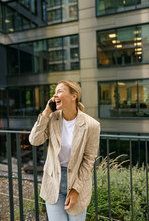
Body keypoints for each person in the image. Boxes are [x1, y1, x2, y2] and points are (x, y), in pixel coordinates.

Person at [29, 80, 100, 221]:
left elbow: (89, 160)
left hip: (77, 181)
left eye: (59, 91)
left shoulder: (91, 125)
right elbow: (34, 140)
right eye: (54, 92)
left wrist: (76, 190)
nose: (55, 95)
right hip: (53, 180)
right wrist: (46, 111)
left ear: (74, 96)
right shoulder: (52, 118)